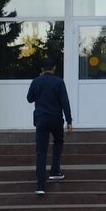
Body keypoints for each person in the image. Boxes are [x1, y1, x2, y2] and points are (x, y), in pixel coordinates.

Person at [26, 59, 73, 195]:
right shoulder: (59, 82)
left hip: (41, 119)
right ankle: (55, 171)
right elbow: (65, 101)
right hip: (56, 119)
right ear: (54, 67)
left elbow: (29, 99)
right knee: (58, 142)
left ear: (42, 68)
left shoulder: (36, 81)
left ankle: (40, 186)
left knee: (41, 151)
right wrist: (69, 121)